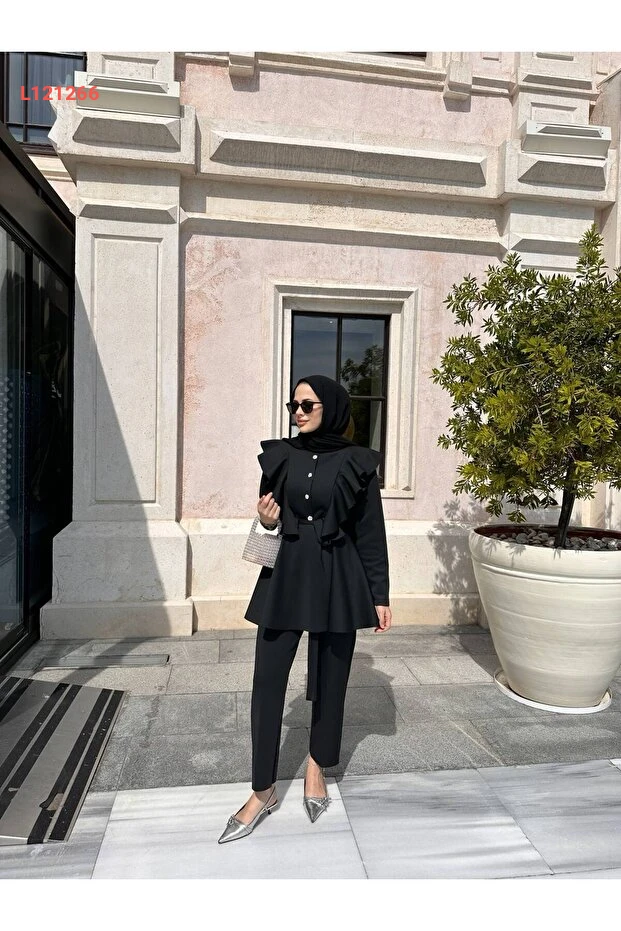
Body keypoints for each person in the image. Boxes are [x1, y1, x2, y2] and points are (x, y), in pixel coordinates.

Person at [218, 374, 391, 844]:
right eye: (294, 405)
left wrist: (379, 596)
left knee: (331, 680)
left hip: (340, 578)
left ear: (330, 407)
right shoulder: (279, 456)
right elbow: (266, 528)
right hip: (287, 576)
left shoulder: (357, 462)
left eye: (307, 405)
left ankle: (317, 766)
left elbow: (370, 533)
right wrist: (263, 521)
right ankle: (262, 789)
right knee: (266, 682)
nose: (298, 412)